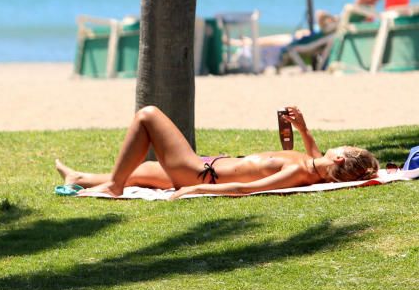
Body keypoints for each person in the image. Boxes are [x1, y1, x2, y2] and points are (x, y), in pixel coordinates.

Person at [55, 105, 378, 200]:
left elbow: (246, 188)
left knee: (148, 115)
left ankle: (113, 188)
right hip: (204, 166)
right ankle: (79, 178)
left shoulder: (300, 172)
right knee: (139, 174)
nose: (338, 147)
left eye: (345, 148)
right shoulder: (314, 164)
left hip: (198, 172)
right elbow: (316, 155)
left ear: (339, 158)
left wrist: (197, 188)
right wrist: (303, 129)